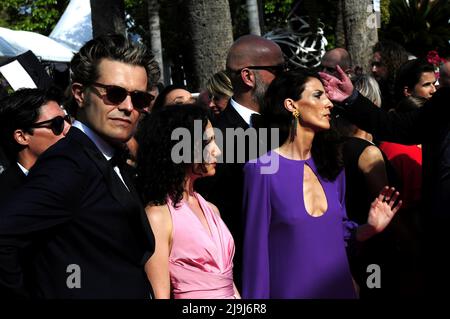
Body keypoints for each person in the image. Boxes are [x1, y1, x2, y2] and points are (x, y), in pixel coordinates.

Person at [0, 34, 158, 298]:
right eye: (115, 94)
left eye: (139, 99)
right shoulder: (70, 162)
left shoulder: (107, 157)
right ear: (79, 94)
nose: (128, 107)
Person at [242, 69, 401, 299]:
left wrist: (368, 228)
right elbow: (255, 256)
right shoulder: (261, 170)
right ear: (291, 105)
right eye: (318, 95)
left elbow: (340, 235)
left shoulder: (332, 167)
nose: (329, 104)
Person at [320, 64, 450, 296]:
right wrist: (351, 99)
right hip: (439, 237)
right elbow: (397, 126)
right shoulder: (445, 101)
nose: (437, 85)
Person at [196, 35, 286, 290]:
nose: (285, 79)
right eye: (278, 70)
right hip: (246, 277)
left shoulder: (288, 127)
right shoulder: (212, 139)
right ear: (248, 77)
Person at [136, 104, 240, 299]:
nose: (217, 151)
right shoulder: (158, 216)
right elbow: (160, 295)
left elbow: (227, 283)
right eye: (208, 141)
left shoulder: (212, 210)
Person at [0, 88, 71, 201]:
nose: (68, 128)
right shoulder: (7, 198)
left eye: (67, 119)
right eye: (57, 124)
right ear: (22, 137)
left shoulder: (81, 170)